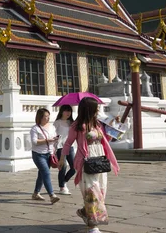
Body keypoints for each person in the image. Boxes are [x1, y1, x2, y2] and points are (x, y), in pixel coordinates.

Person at [59, 97, 120, 233]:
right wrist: (62, 158)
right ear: (89, 109)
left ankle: (84, 212)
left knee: (102, 191)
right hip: (86, 161)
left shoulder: (97, 124)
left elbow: (107, 138)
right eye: (96, 108)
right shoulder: (77, 126)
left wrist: (115, 125)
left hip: (100, 161)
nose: (98, 110)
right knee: (92, 193)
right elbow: (68, 143)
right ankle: (93, 226)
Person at [30, 108, 60, 204]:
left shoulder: (51, 127)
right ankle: (52, 195)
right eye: (45, 116)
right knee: (46, 172)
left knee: (42, 174)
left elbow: (54, 138)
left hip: (49, 153)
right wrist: (48, 140)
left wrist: (55, 140)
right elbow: (34, 142)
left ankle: (35, 193)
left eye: (48, 116)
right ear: (40, 117)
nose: (47, 118)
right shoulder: (35, 128)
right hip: (38, 154)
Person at [54, 105, 76, 195]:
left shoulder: (72, 122)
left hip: (70, 146)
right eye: (66, 111)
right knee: (63, 167)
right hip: (60, 146)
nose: (68, 113)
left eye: (69, 111)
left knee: (74, 167)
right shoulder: (57, 122)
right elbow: (52, 134)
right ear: (61, 111)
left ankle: (64, 181)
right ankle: (62, 187)